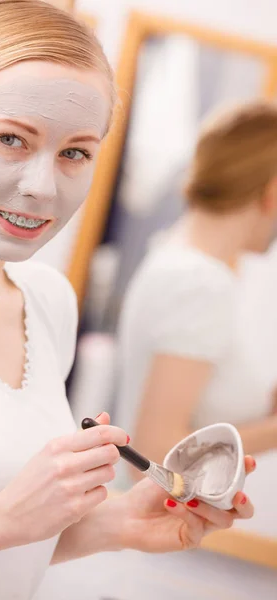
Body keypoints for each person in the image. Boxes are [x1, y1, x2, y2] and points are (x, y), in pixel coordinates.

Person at [0, 2, 255, 599]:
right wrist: (6, 515)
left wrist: (116, 524)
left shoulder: (47, 301)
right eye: (10, 139)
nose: (41, 187)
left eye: (75, 152)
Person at [114, 100, 277, 483]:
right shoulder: (202, 283)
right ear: (271, 191)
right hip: (164, 533)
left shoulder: (177, 255)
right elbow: (154, 455)